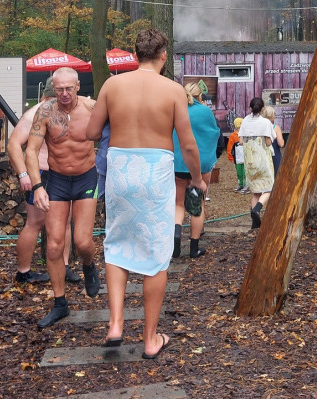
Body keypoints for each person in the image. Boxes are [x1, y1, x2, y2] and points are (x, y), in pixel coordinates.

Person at [85, 29, 205, 357]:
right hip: (155, 170)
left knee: (117, 241)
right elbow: (189, 143)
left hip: (121, 168)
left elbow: (91, 132)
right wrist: (196, 179)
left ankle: (115, 324)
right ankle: (150, 339)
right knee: (156, 252)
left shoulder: (112, 85)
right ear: (163, 55)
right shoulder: (172, 90)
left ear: (136, 54)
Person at [25, 67, 101, 329]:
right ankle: (60, 303)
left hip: (86, 178)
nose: (65, 94)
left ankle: (90, 265)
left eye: (69, 88)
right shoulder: (45, 112)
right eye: (59, 89)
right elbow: (31, 150)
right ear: (53, 89)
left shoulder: (93, 108)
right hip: (56, 180)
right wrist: (37, 186)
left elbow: (118, 132)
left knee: (82, 242)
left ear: (78, 86)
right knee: (54, 246)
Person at [6, 78, 77, 285]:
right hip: (42, 174)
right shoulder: (36, 113)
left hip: (64, 173)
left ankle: (63, 267)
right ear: (49, 94)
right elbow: (13, 145)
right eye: (59, 93)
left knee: (64, 223)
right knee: (35, 223)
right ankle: (24, 272)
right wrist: (24, 174)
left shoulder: (68, 111)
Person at [171, 83, 221, 259]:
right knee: (196, 205)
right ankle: (194, 248)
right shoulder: (205, 112)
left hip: (178, 164)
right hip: (199, 166)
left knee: (178, 204)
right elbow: (214, 133)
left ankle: (176, 240)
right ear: (201, 96)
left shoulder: (176, 109)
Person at [238, 97, 276, 229]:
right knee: (269, 188)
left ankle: (255, 224)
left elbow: (241, 141)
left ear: (250, 108)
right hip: (263, 160)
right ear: (262, 109)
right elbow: (268, 142)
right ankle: (257, 209)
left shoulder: (245, 122)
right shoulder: (265, 122)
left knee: (256, 192)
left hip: (249, 161)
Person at [263, 105, 285, 175]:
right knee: (277, 175)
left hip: (263, 155)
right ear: (272, 116)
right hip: (275, 155)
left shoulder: (260, 127)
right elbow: (281, 144)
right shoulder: (276, 128)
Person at [226, 117, 246, 192]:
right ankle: (241, 184)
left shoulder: (245, 134)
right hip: (237, 158)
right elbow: (230, 147)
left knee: (245, 172)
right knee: (239, 172)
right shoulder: (233, 136)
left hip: (244, 157)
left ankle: (246, 185)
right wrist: (230, 156)